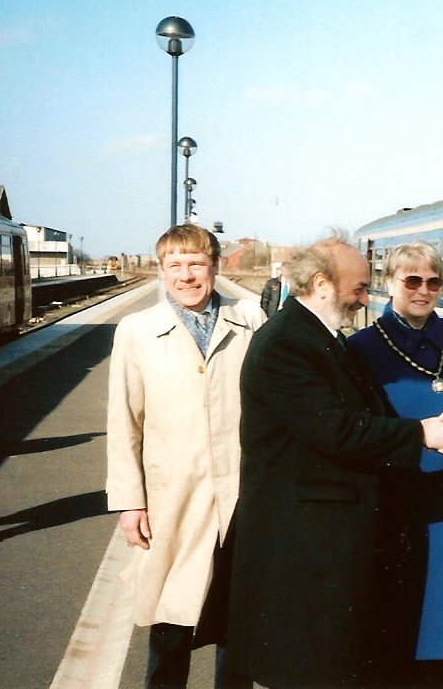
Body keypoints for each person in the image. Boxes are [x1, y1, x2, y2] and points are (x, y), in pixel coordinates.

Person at [227, 233, 443, 689]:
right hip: (303, 541)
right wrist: (421, 433)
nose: (364, 297)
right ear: (321, 284)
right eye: (358, 287)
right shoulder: (286, 344)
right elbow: (336, 429)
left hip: (321, 533)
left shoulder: (318, 336)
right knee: (310, 665)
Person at [106, 223, 266, 689]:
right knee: (171, 620)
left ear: (215, 267)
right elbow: (124, 422)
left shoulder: (250, 322)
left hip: (242, 495)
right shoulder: (137, 331)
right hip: (172, 498)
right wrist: (129, 501)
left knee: (238, 621)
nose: (186, 276)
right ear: (161, 271)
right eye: (174, 266)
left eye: (197, 264)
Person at [347, 242, 443, 687]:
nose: (424, 290)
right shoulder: (362, 347)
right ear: (389, 283)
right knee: (400, 601)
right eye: (412, 281)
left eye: (434, 282)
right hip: (398, 495)